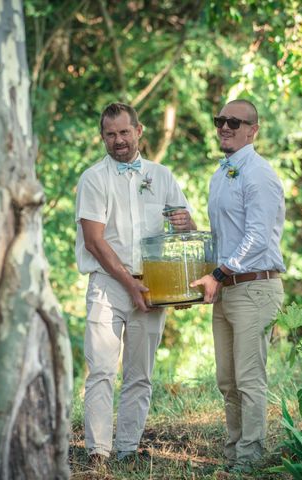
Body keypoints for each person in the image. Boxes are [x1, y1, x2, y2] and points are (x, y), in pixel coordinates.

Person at [75, 102, 196, 466]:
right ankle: (98, 451)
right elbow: (95, 241)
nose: (118, 141)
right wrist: (129, 284)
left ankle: (127, 449)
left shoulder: (161, 176)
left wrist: (184, 226)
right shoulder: (93, 178)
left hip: (153, 286)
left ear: (139, 131)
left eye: (124, 132)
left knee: (139, 374)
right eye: (110, 134)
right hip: (108, 286)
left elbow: (185, 231)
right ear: (103, 138)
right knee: (100, 370)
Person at [191, 99, 285, 473]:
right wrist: (191, 235)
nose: (225, 127)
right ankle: (233, 453)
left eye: (234, 121)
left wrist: (218, 273)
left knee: (249, 379)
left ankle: (251, 459)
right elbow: (225, 239)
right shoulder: (222, 173)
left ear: (253, 130)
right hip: (227, 287)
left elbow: (259, 237)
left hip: (254, 288)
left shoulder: (258, 174)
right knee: (226, 380)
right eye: (220, 120)